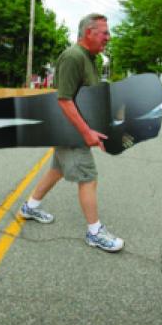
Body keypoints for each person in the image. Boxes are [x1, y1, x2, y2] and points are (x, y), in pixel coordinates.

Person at [19, 13, 124, 252]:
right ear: (89, 32)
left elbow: (86, 96)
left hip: (71, 130)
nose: (108, 37)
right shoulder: (72, 57)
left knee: (56, 170)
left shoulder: (89, 58)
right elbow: (64, 100)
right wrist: (87, 132)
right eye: (104, 32)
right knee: (88, 177)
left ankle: (30, 207)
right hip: (72, 131)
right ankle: (94, 232)